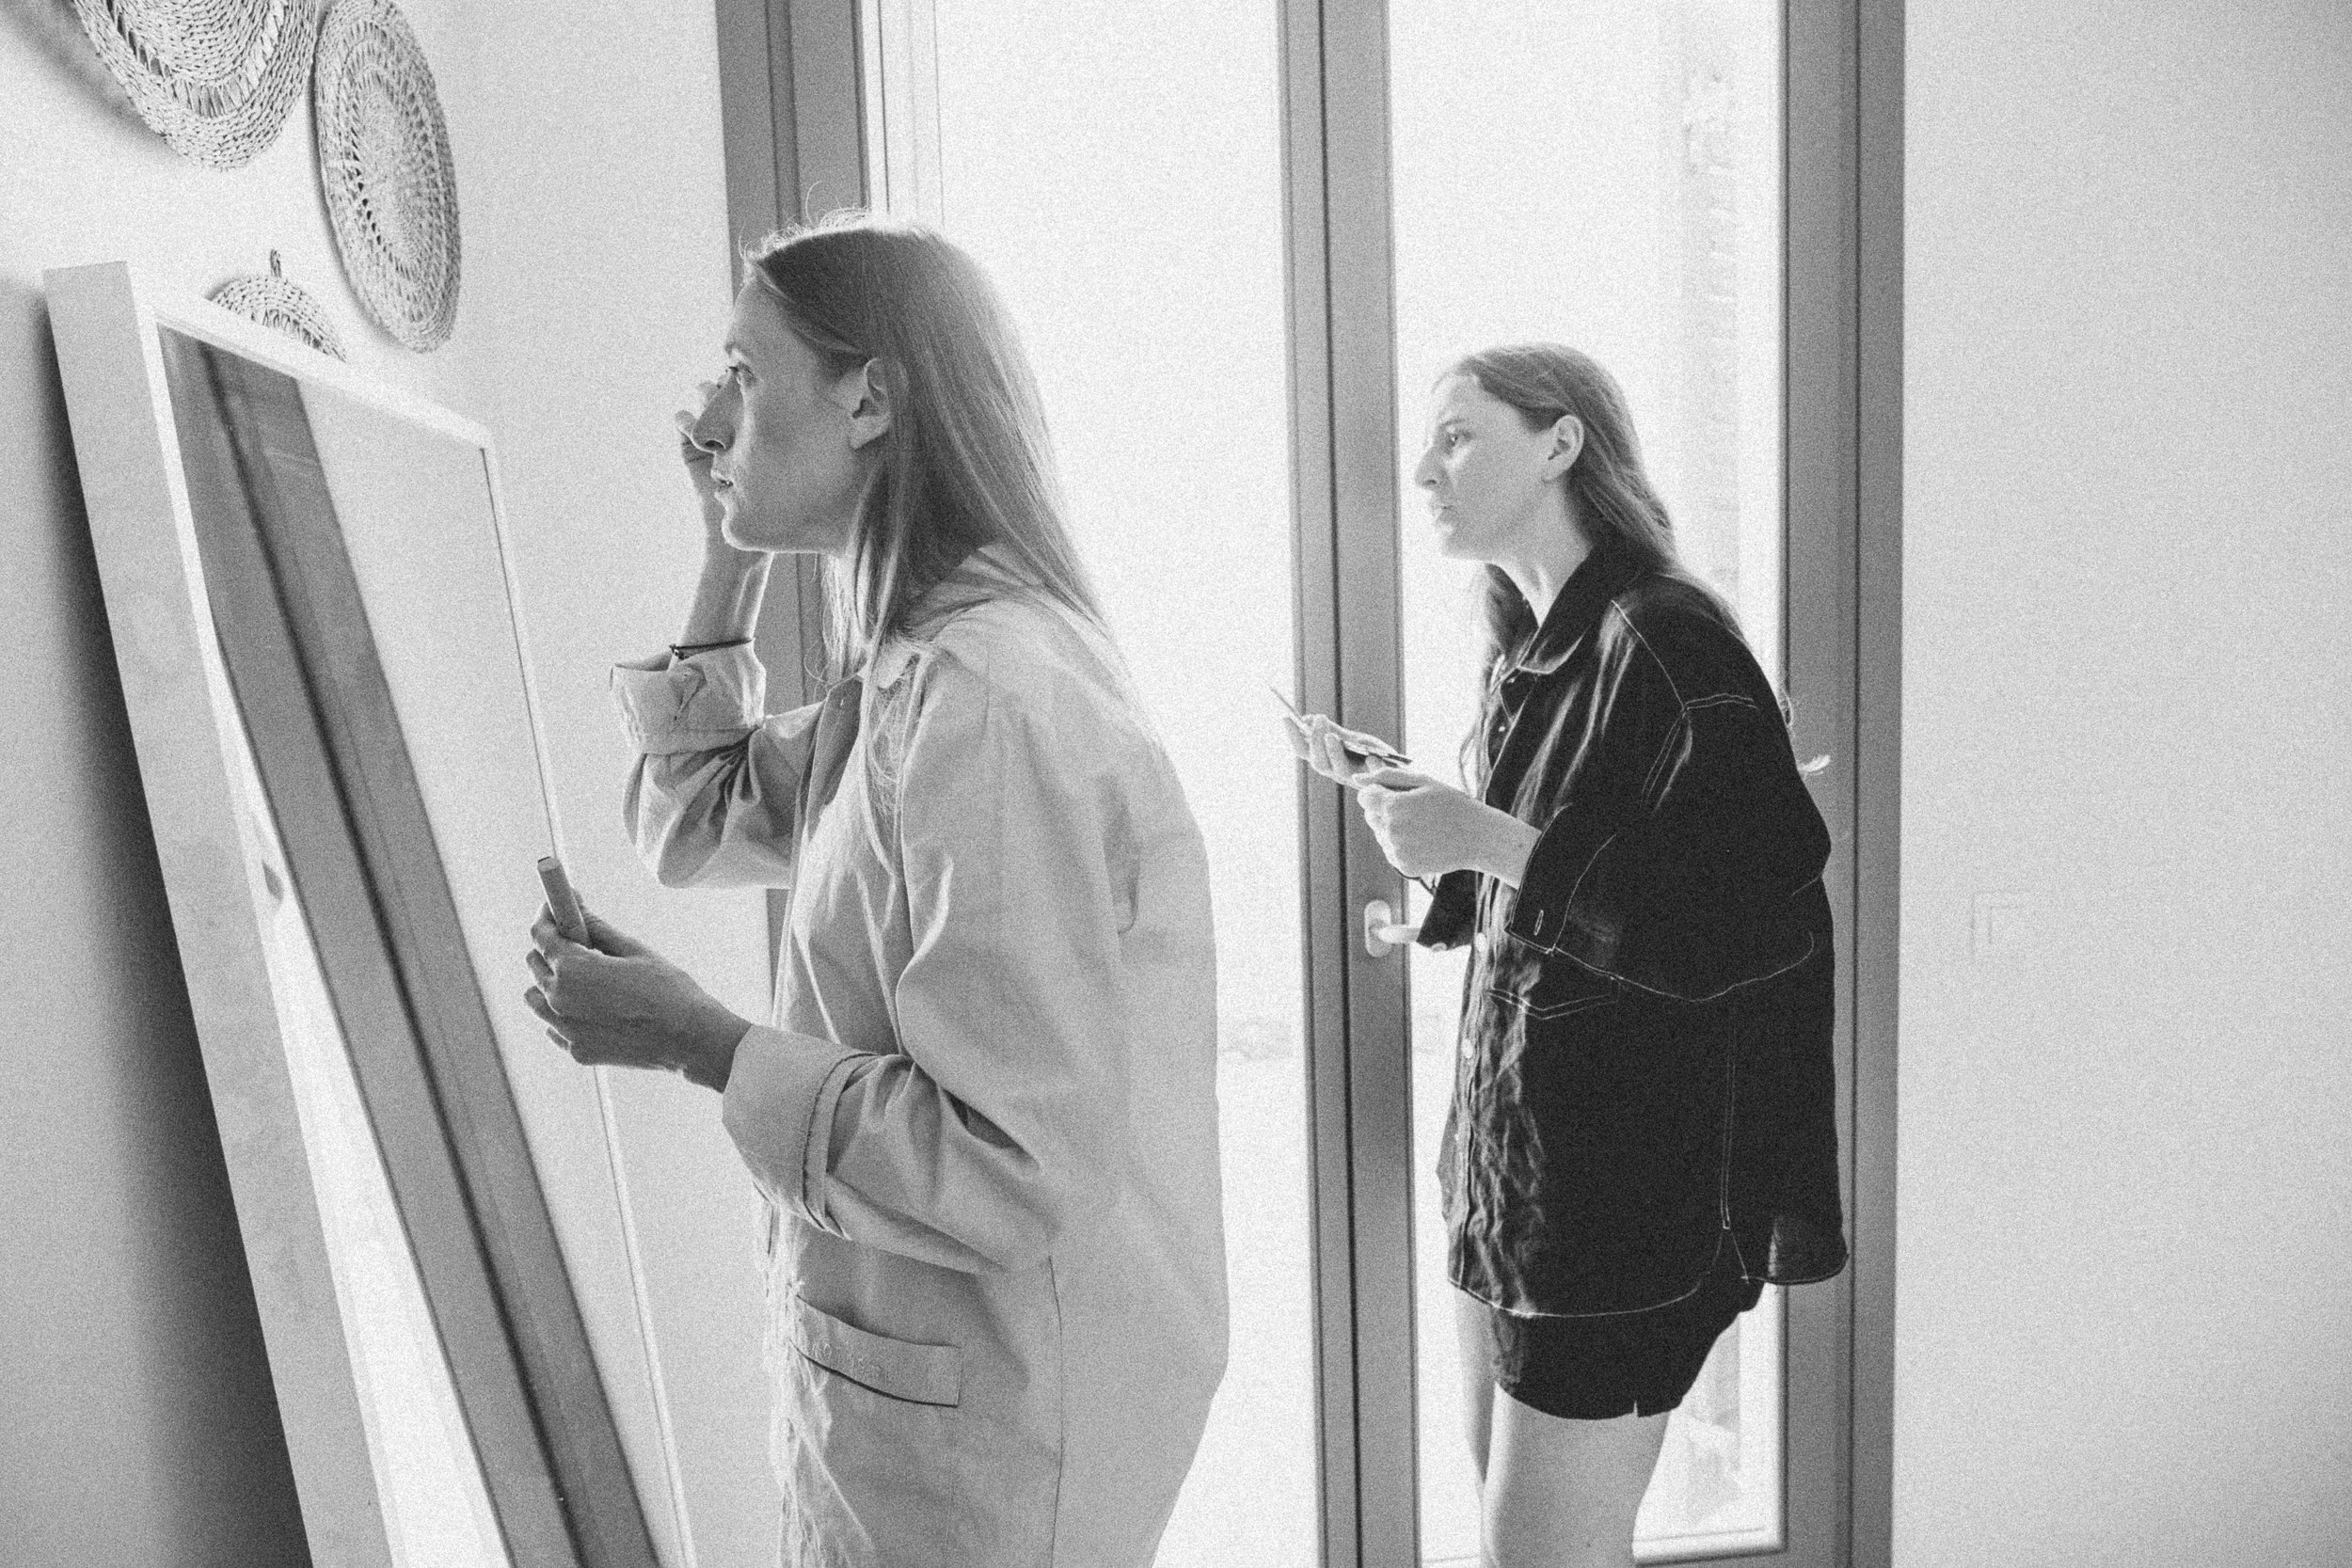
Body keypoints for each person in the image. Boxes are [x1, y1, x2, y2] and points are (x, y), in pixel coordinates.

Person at [521, 214, 1229, 1567]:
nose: (711, 414)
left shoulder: (990, 706)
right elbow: (694, 822)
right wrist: (728, 542)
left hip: (995, 1450)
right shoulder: (911, 670)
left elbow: (1008, 1162)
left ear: (871, 397)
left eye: (742, 370)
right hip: (935, 1402)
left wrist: (699, 1037)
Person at [1286, 343, 1847, 1568]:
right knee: (1523, 1533)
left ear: (1561, 442)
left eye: (1457, 436)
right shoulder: (1524, 654)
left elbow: (1762, 924)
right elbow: (1538, 894)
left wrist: (1484, 835)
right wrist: (1428, 815)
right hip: (1516, 1179)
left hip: (1624, 1205)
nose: (1424, 470)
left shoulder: (1669, 639)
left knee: (1541, 1553)